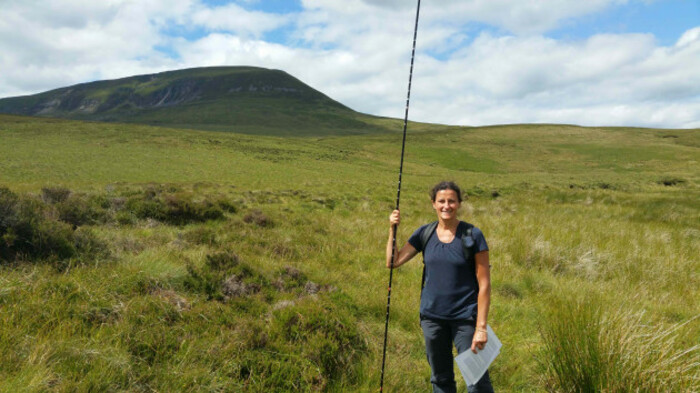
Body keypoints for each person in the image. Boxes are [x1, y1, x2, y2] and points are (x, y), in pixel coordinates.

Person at [386, 181, 494, 393]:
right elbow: (393, 261)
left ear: (459, 204)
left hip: (466, 318)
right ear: (433, 204)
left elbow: (485, 284)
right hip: (432, 319)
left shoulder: (473, 235)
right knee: (441, 380)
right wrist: (392, 228)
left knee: (477, 382)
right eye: (441, 201)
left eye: (451, 201)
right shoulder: (424, 234)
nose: (447, 206)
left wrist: (481, 328)